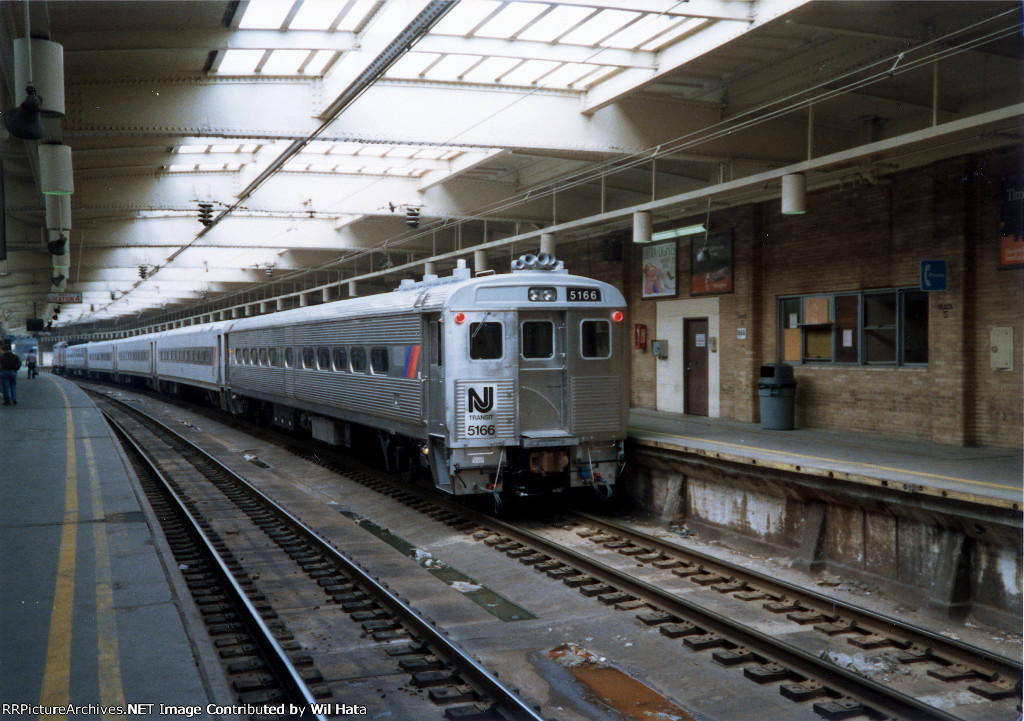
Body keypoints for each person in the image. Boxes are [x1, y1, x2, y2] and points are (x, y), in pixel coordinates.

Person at [0, 341, 20, 406]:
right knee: (13, 386)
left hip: (4, 372)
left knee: (5, 387)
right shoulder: (15, 356)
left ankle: (7, 401)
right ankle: (14, 399)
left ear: (5, 350)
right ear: (11, 349)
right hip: (13, 372)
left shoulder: (2, 357)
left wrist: (1, 370)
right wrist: (16, 369)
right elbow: (19, 364)